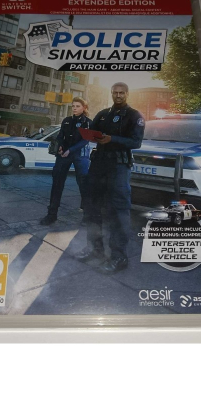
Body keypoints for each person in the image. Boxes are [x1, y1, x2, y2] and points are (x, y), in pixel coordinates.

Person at [75, 82, 145, 274]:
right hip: (98, 165)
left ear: (127, 93)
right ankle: (95, 249)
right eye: (115, 92)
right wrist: (89, 134)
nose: (118, 95)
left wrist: (112, 139)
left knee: (118, 211)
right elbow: (92, 132)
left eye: (122, 92)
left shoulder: (134, 116)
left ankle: (119, 257)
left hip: (119, 166)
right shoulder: (103, 114)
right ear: (111, 93)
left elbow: (136, 142)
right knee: (92, 207)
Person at [39, 97, 92, 225]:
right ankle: (52, 215)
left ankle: (88, 215)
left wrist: (71, 150)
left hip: (80, 155)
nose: (74, 108)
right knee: (57, 183)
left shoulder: (88, 122)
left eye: (78, 106)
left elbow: (85, 140)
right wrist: (60, 146)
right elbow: (60, 136)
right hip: (64, 155)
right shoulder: (67, 120)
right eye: (73, 106)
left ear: (84, 108)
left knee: (83, 184)